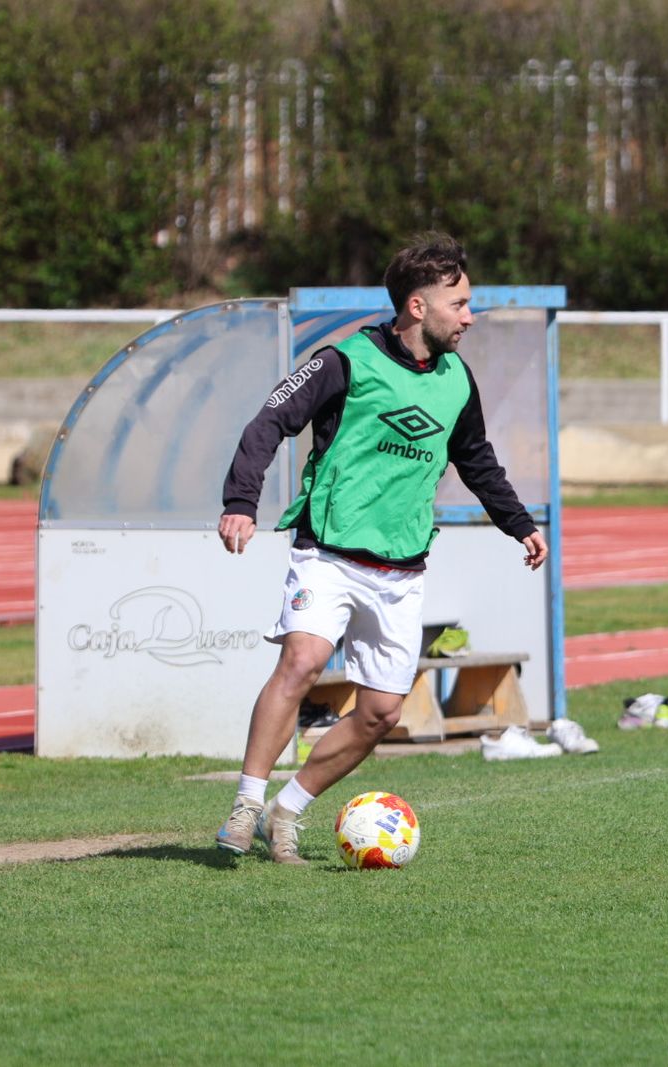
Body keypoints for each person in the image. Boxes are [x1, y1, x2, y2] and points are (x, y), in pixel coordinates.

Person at [213, 232, 548, 865]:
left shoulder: (456, 381)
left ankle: (286, 812)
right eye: (461, 304)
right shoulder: (344, 361)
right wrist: (240, 501)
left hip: (400, 569)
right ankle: (247, 802)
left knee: (380, 715)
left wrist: (519, 523)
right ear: (418, 306)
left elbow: (477, 460)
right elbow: (268, 423)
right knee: (304, 662)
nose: (470, 317)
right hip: (328, 552)